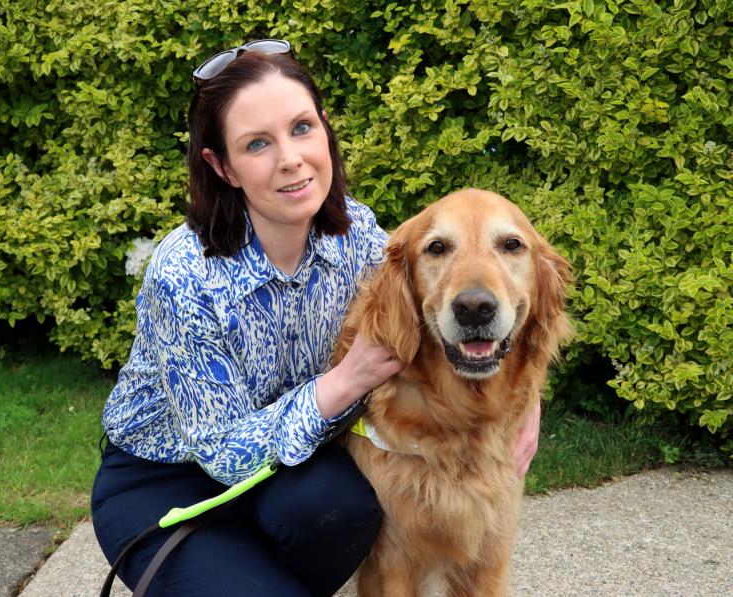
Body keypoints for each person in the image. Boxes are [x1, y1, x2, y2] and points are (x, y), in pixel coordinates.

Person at [91, 39, 541, 597]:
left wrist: (523, 394)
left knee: (344, 510)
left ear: (325, 130)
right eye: (257, 143)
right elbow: (224, 454)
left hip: (291, 468)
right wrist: (345, 381)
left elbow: (454, 308)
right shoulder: (183, 276)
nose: (290, 159)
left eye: (302, 128)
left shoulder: (358, 236)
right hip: (170, 478)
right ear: (221, 166)